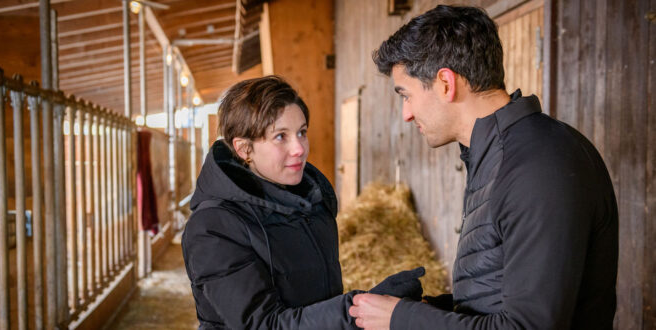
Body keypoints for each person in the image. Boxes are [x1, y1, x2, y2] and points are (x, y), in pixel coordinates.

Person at [348, 5, 618, 330]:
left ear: (446, 84)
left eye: (406, 95)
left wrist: (403, 320)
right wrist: (427, 308)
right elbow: (500, 293)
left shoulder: (537, 166)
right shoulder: (501, 153)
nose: (406, 114)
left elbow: (529, 325)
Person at [182, 76, 424, 329]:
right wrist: (360, 308)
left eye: (302, 132)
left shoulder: (312, 206)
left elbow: (315, 304)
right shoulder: (213, 228)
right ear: (244, 149)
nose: (299, 148)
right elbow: (263, 325)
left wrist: (374, 305)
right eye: (280, 137)